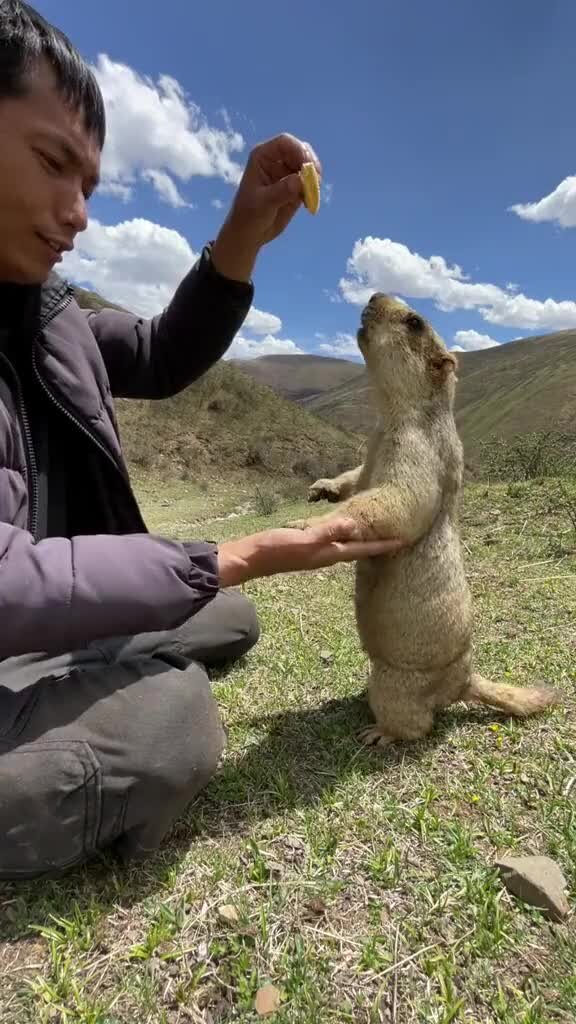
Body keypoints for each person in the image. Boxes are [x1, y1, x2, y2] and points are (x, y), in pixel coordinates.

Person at [0, 0, 402, 879]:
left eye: (91, 187)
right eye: (51, 163)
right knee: (172, 720)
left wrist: (242, 233)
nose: (77, 214)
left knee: (226, 619)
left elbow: (160, 351)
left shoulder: (42, 310)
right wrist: (243, 550)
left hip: (32, 629)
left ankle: (77, 690)